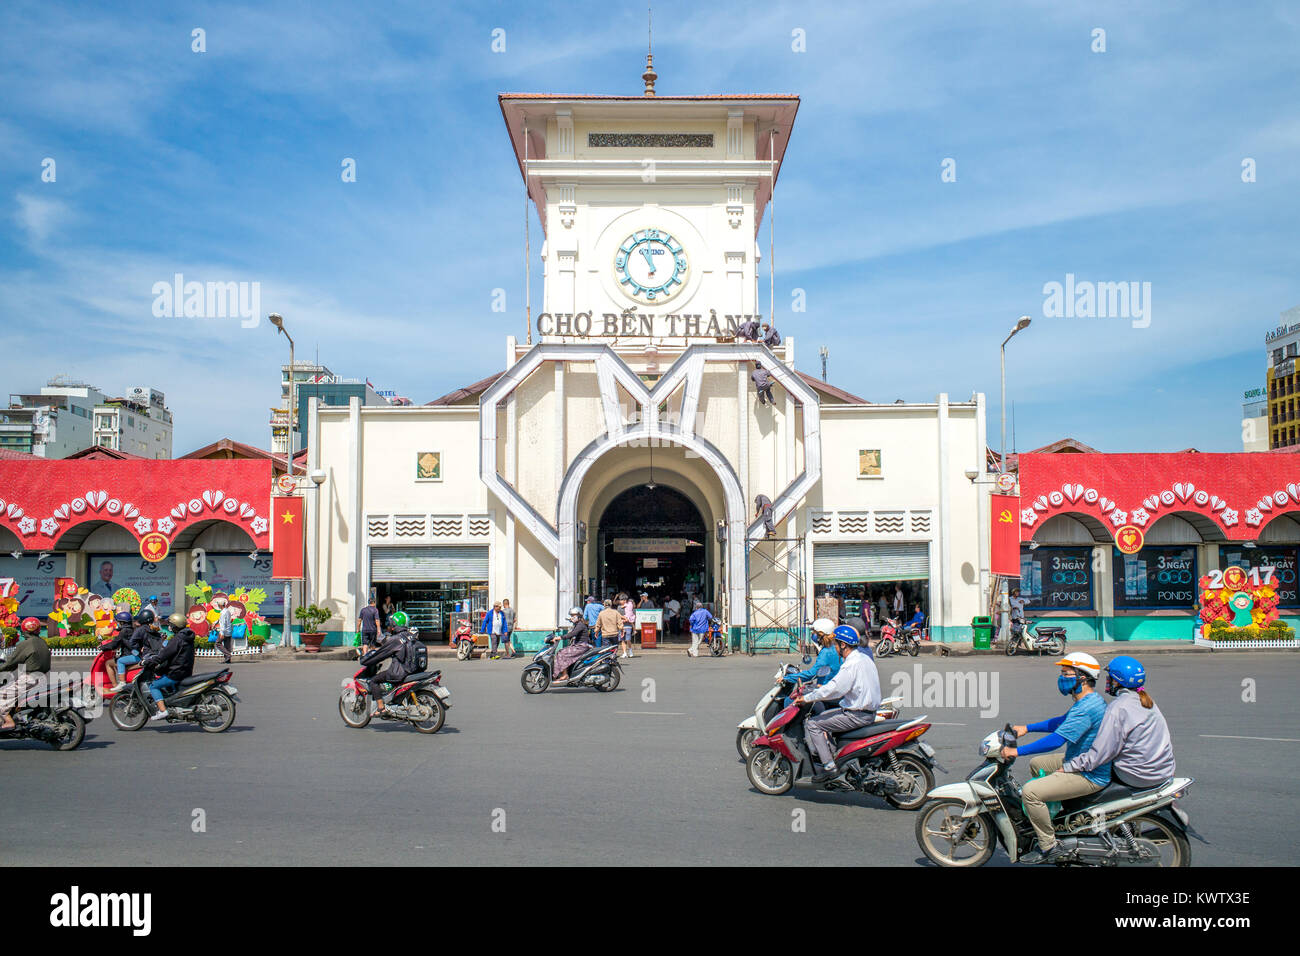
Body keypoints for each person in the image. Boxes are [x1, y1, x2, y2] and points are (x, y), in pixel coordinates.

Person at [1001, 652, 1111, 864]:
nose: (1062, 678)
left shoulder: (1087, 708)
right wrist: (1027, 728)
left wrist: (1017, 751)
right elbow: (1061, 722)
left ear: (1083, 677)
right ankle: (1057, 819)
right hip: (1081, 759)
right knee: (1038, 764)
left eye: (1066, 674)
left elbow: (1056, 740)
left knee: (1031, 793)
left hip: (1088, 773)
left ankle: (1048, 845)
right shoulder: (1086, 701)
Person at [1063, 656, 1175, 790]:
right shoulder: (1147, 702)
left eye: (1109, 678)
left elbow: (1101, 753)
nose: (1108, 681)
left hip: (1136, 776)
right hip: (1164, 771)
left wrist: (1069, 766)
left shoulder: (1118, 708)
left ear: (1116, 681)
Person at [792, 625, 884, 785]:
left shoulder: (851, 665)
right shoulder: (864, 658)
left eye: (836, 644)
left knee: (814, 724)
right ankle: (834, 757)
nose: (835, 647)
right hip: (867, 711)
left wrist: (807, 698)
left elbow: (834, 689)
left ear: (843, 645)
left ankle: (829, 768)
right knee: (826, 717)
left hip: (856, 714)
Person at [0, 617, 51, 731]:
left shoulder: (26, 644)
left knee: (2, 694)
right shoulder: (42, 642)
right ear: (38, 629)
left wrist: (2, 669)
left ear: (23, 629)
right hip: (42, 678)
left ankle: (8, 720)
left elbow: (11, 663)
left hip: (29, 679)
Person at [146, 613, 196, 720]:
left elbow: (164, 655)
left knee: (153, 686)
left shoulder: (178, 639)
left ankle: (163, 711)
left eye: (171, 624)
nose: (169, 627)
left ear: (175, 626)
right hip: (185, 670)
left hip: (176, 672)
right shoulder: (187, 637)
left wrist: (153, 661)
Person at [358, 625, 411, 715]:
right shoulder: (409, 637)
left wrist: (366, 660)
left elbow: (381, 654)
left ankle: (381, 707)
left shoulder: (396, 639)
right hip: (410, 670)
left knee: (374, 681)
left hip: (399, 672)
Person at [787, 618, 841, 701]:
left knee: (789, 700)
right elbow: (823, 670)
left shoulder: (825, 652)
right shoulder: (834, 648)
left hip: (825, 691)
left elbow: (811, 674)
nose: (812, 634)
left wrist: (787, 678)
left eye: (814, 632)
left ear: (821, 634)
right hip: (832, 688)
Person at [105, 610, 144, 692]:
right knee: (116, 661)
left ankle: (120, 684)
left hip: (135, 655)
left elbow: (115, 643)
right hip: (136, 654)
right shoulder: (132, 629)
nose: (117, 623)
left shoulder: (124, 631)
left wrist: (103, 647)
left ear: (122, 623)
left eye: (118, 622)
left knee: (110, 663)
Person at [552, 607, 593, 682]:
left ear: (579, 616)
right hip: (578, 645)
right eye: (571, 616)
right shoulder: (577, 624)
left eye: (574, 616)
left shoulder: (580, 625)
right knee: (562, 651)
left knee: (562, 653)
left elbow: (572, 634)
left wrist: (560, 637)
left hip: (581, 647)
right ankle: (564, 672)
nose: (572, 618)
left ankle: (565, 675)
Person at [620, 593, 637, 660]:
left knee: (628, 639)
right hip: (622, 625)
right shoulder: (622, 606)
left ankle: (630, 651)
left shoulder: (629, 605)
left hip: (628, 624)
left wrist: (625, 619)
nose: (620, 601)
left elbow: (629, 615)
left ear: (624, 600)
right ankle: (624, 653)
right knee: (622, 639)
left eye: (621, 600)